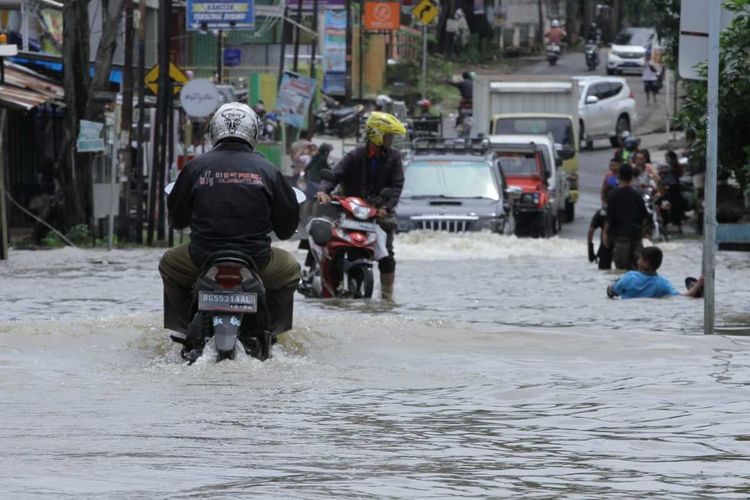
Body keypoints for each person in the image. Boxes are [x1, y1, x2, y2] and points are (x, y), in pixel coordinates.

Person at [159, 102, 301, 346]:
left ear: (215, 131)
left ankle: (182, 329)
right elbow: (286, 229)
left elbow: (177, 221)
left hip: (202, 258)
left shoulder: (195, 166)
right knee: (291, 270)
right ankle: (274, 333)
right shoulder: (268, 170)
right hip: (256, 260)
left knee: (169, 264)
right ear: (254, 133)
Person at [316, 112, 407, 300]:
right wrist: (324, 191)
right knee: (335, 246)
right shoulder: (355, 155)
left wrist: (386, 207)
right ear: (377, 135)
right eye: (389, 136)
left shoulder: (395, 157)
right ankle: (331, 284)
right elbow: (335, 174)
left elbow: (397, 185)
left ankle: (387, 297)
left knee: (387, 256)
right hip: (352, 210)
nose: (392, 140)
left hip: (379, 212)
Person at [607, 246, 705, 299]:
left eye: (640, 259)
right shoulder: (663, 283)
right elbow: (681, 298)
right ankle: (696, 287)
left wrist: (610, 288)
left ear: (645, 263)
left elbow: (613, 292)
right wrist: (699, 284)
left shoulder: (629, 277)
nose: (637, 261)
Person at [604, 164, 649, 270]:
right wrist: (643, 231)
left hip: (621, 237)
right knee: (638, 269)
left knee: (622, 269)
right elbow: (645, 216)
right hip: (636, 235)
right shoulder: (638, 194)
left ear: (618, 176)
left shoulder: (613, 195)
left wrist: (605, 233)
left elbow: (609, 217)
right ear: (631, 177)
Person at [303, 143, 332, 216]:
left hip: (310, 181)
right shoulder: (323, 159)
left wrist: (306, 179)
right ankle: (313, 218)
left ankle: (303, 218)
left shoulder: (315, 157)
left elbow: (306, 168)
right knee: (316, 202)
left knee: (308, 201)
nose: (328, 154)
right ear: (325, 152)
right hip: (317, 183)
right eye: (328, 152)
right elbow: (330, 170)